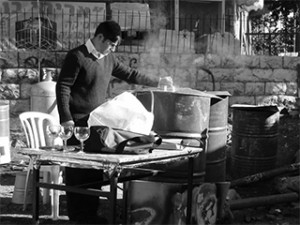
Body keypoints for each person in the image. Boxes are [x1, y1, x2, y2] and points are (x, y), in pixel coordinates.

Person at [55, 20, 168, 224]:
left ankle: (91, 215)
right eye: (111, 44)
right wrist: (66, 119)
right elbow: (63, 87)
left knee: (94, 172)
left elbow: (130, 74)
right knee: (77, 172)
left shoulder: (108, 58)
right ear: (99, 38)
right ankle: (78, 217)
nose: (113, 48)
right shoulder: (77, 56)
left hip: (97, 124)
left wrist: (158, 81)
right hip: (76, 124)